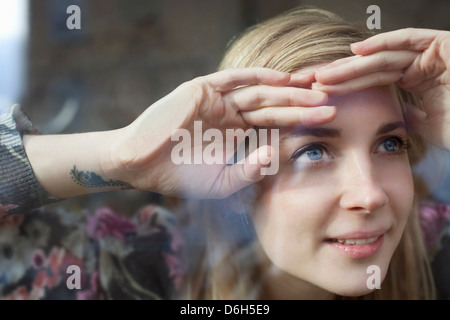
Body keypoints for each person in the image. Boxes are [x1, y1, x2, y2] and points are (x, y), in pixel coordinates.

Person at [0, 6, 449, 299]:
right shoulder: (142, 266)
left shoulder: (433, 247)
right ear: (236, 180)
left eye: (390, 143)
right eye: (313, 151)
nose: (369, 196)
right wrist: (123, 156)